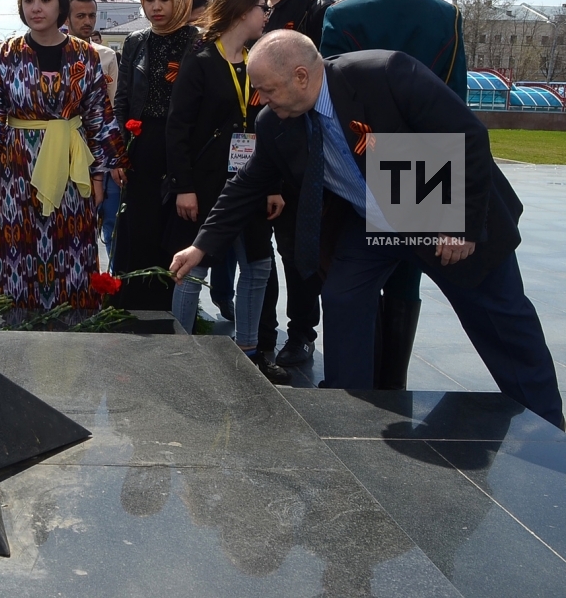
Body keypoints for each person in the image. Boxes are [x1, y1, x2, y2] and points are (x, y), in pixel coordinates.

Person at [171, 30, 563, 426]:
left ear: (301, 76)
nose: (261, 100)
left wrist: (460, 226)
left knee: (500, 319)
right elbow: (247, 184)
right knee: (342, 296)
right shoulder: (275, 123)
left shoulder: (384, 73)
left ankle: (546, 422)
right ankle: (347, 407)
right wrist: (200, 248)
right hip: (371, 218)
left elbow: (468, 135)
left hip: (437, 203)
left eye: (267, 89)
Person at [320, 0, 469, 390]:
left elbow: (336, 98)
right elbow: (456, 102)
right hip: (427, 160)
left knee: (356, 277)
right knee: (409, 274)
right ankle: (394, 378)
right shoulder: (445, 16)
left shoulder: (343, 16)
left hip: (363, 158)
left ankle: (356, 384)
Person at [0, 0, 125, 310]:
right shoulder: (6, 55)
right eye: (28, 0)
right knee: (14, 247)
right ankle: (17, 323)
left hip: (73, 170)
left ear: (61, 5)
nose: (36, 8)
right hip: (16, 170)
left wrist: (99, 178)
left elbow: (100, 119)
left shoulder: (85, 56)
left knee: (70, 244)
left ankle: (71, 326)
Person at [166, 0, 287, 383]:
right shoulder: (200, 60)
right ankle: (181, 348)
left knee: (258, 265)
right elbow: (178, 127)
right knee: (193, 267)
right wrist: (184, 185)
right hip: (205, 185)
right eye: (260, 8)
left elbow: (267, 128)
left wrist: (272, 184)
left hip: (251, 183)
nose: (265, 15)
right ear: (240, 12)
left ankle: (249, 349)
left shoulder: (258, 60)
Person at [244, 0, 335, 370]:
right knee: (260, 248)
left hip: (308, 150)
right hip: (264, 144)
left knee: (300, 249)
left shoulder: (317, 7)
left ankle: (301, 334)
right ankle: (262, 333)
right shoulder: (252, 10)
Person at [111, 0, 199, 307]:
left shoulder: (198, 40)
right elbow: (122, 99)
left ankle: (167, 308)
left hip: (180, 146)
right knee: (139, 227)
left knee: (173, 233)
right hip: (141, 144)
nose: (156, 7)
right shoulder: (136, 41)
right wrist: (120, 150)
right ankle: (133, 306)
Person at [67, 0, 121, 248]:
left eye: (91, 15)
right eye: (80, 16)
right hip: (66, 144)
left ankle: (108, 282)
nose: (87, 22)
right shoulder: (57, 55)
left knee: (108, 220)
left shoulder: (106, 56)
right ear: (66, 18)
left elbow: (113, 104)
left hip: (100, 145)